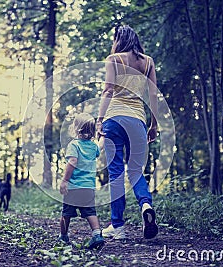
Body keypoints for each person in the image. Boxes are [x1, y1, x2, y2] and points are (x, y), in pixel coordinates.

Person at [96, 25, 159, 239]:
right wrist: (154, 124)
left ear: (118, 39)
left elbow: (108, 90)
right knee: (135, 171)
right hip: (138, 120)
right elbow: (153, 94)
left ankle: (118, 227)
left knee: (116, 173)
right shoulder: (148, 62)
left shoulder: (113, 59)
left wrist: (99, 120)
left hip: (114, 119)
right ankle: (146, 205)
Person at [58, 113, 105, 249]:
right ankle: (97, 234)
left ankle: (63, 236)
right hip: (88, 187)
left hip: (73, 187)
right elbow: (101, 145)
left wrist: (65, 180)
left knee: (66, 214)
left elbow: (72, 161)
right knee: (90, 212)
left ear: (76, 128)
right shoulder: (93, 146)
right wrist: (103, 135)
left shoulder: (74, 145)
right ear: (91, 131)